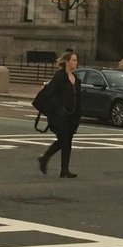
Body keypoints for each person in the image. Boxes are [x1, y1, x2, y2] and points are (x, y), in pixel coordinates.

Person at [37, 50, 81, 178]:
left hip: (72, 115)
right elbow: (52, 95)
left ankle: (64, 169)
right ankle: (45, 158)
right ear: (67, 62)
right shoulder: (60, 76)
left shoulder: (76, 79)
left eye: (76, 60)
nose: (76, 62)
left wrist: (78, 114)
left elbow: (78, 98)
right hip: (59, 115)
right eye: (73, 60)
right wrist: (59, 109)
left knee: (67, 141)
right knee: (63, 139)